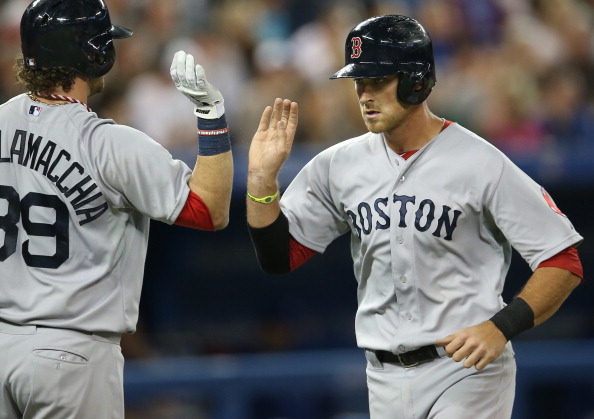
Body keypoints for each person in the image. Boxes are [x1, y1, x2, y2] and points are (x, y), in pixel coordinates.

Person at [246, 14, 583, 419]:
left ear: (415, 79)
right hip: (383, 378)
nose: (365, 95)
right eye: (359, 83)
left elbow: (562, 260)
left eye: (377, 81)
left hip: (465, 371)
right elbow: (279, 257)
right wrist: (262, 182)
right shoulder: (339, 164)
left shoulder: (479, 161)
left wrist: (501, 326)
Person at [0, 0, 233, 418]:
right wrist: (211, 117)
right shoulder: (109, 143)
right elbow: (209, 209)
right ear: (95, 55)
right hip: (70, 356)